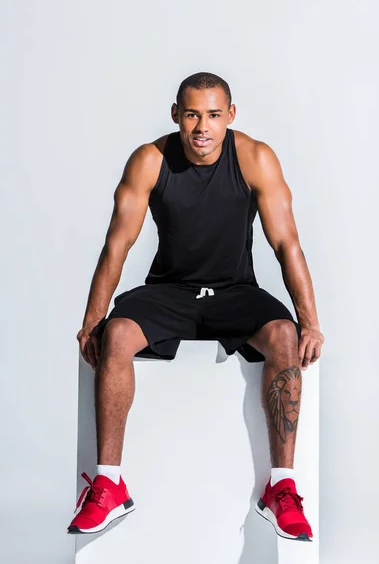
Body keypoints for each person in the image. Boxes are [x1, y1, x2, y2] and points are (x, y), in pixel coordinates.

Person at [67, 72, 324, 541]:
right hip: (170, 290)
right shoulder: (150, 159)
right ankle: (108, 483)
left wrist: (310, 322)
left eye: (212, 115)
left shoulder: (254, 157)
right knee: (117, 334)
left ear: (230, 115)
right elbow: (116, 245)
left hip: (234, 290)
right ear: (176, 116)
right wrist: (91, 323)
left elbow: (286, 243)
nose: (201, 127)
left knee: (285, 337)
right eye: (191, 115)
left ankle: (281, 488)